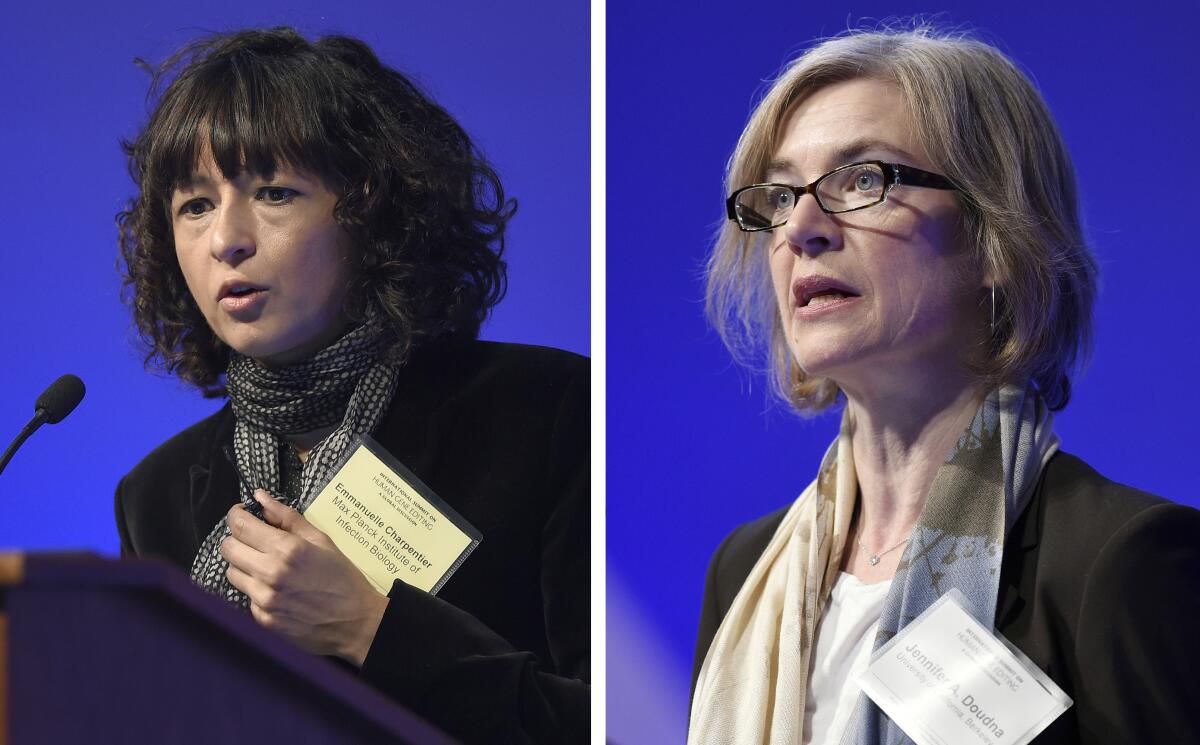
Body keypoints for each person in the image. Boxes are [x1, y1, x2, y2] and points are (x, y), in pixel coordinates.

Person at [690, 26, 1200, 745]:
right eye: (779, 195)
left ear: (998, 236)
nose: (801, 226)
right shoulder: (743, 571)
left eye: (863, 179)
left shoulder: (1120, 566)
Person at [113, 28, 588, 744]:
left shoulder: (544, 412)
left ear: (376, 213)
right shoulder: (155, 498)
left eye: (273, 192)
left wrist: (371, 626)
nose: (225, 239)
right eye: (195, 205)